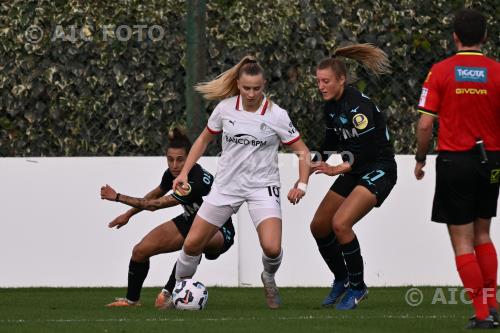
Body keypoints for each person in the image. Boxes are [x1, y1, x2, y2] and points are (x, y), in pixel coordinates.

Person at [171, 56, 311, 309]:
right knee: (192, 244)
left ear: (264, 85)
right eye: (246, 88)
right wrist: (183, 173)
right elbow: (202, 141)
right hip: (226, 186)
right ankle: (178, 292)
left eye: (257, 88)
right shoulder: (225, 109)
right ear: (238, 84)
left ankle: (268, 277)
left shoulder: (277, 115)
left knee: (271, 247)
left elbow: (303, 151)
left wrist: (301, 184)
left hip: (262, 187)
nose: (251, 93)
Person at [415, 8, 499, 329]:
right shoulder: (497, 71)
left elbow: (425, 125)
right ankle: (493, 303)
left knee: (462, 241)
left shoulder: (441, 71)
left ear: (455, 37)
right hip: (491, 160)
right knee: (483, 234)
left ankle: (482, 315)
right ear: (485, 37)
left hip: (455, 161)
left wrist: (421, 158)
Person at [100, 127, 235, 309]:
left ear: (191, 159)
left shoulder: (195, 180)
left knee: (193, 243)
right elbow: (154, 195)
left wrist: (118, 197)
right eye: (170, 160)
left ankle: (169, 292)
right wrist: (128, 214)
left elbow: (155, 205)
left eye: (180, 160)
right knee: (140, 251)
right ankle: (132, 301)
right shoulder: (170, 174)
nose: (174, 165)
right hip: (189, 220)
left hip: (219, 229)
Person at [309, 44, 397, 310]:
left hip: (379, 168)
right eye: (318, 81)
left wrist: (338, 168)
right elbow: (332, 140)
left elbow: (369, 149)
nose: (321, 86)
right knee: (319, 226)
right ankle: (342, 279)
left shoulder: (357, 106)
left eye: (326, 81)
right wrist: (314, 160)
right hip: (356, 168)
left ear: (341, 80)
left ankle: (358, 288)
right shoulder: (330, 107)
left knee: (341, 224)